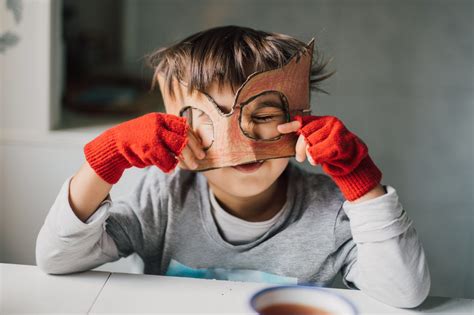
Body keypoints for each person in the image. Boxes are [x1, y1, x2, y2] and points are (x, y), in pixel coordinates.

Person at [36, 25, 430, 308]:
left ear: (300, 123)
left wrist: (359, 178)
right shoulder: (162, 197)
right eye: (206, 121)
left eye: (264, 114)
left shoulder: (330, 212)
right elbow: (57, 259)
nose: (242, 144)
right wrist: (106, 160)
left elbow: (406, 292)